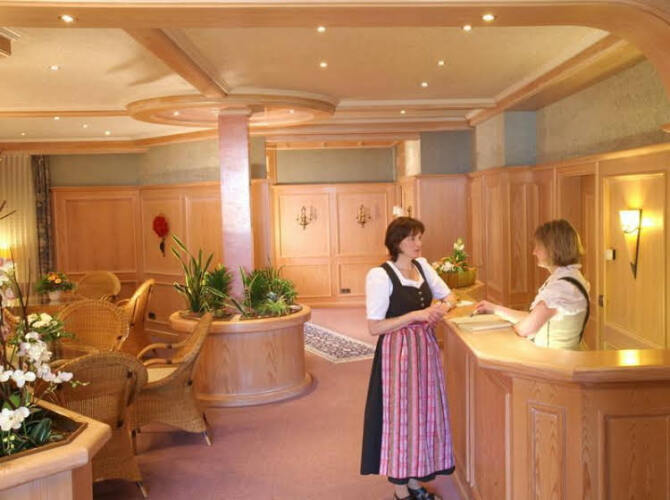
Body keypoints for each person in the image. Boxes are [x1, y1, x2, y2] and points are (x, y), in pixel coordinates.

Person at [361, 217, 457, 500]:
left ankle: (415, 484)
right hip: (398, 357)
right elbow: (375, 327)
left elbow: (450, 296)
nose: (419, 243)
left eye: (419, 237)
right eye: (412, 238)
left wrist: (440, 309)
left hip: (425, 351)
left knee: (422, 417)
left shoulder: (422, 266)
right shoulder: (380, 276)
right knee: (401, 420)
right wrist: (416, 315)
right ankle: (401, 492)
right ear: (397, 242)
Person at [474, 219, 590, 350]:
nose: (534, 252)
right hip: (564, 356)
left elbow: (526, 330)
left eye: (539, 247)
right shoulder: (570, 277)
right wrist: (495, 309)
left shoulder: (561, 289)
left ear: (553, 249)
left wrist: (499, 331)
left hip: (551, 359)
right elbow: (534, 317)